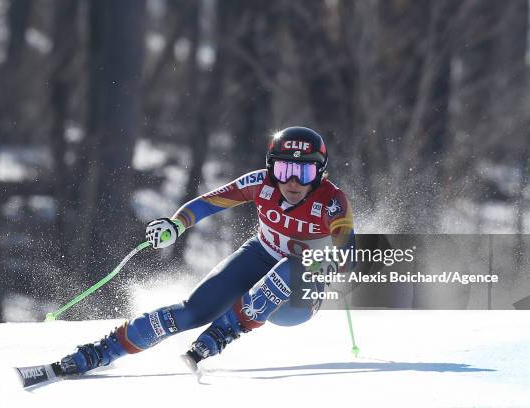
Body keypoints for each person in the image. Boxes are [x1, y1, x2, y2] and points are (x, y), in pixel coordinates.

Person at [56, 126, 355, 376]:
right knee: (193, 311)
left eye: (303, 173)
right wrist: (176, 225)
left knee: (294, 265)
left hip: (299, 295)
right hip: (260, 256)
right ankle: (103, 350)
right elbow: (209, 202)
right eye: (283, 169)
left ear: (320, 173)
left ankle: (225, 331)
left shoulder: (332, 202)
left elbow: (349, 257)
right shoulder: (260, 183)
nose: (292, 181)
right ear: (271, 168)